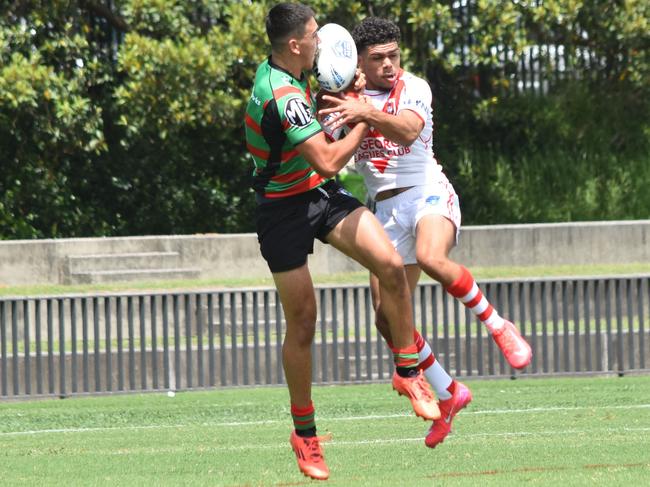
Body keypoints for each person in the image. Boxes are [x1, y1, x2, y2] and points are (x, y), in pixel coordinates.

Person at [244, 4, 440, 480]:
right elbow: (331, 160)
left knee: (390, 265)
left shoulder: (299, 72)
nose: (321, 42)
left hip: (318, 193)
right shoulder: (282, 92)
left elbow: (322, 167)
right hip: (281, 208)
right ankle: (305, 435)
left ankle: (409, 372)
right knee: (304, 322)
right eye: (314, 35)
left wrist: (348, 98)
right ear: (295, 45)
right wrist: (364, 118)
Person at [319, 16, 533, 449]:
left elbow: (409, 129)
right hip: (386, 209)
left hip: (427, 192)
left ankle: (498, 326)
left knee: (433, 257)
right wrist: (348, 106)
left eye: (393, 55)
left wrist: (365, 110)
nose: (388, 65)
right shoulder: (343, 100)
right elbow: (330, 157)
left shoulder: (414, 87)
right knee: (386, 319)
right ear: (358, 60)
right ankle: (449, 392)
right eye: (377, 58)